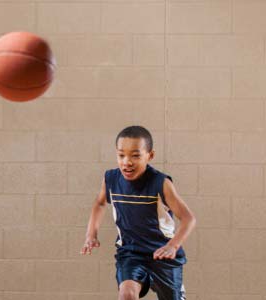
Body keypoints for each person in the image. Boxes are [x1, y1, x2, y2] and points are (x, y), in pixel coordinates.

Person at [80, 126, 196, 300]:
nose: (127, 161)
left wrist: (173, 245)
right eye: (121, 155)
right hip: (131, 253)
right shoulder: (111, 179)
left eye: (135, 155)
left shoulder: (161, 183)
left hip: (163, 256)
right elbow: (99, 203)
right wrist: (91, 234)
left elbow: (188, 218)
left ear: (150, 155)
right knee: (127, 294)